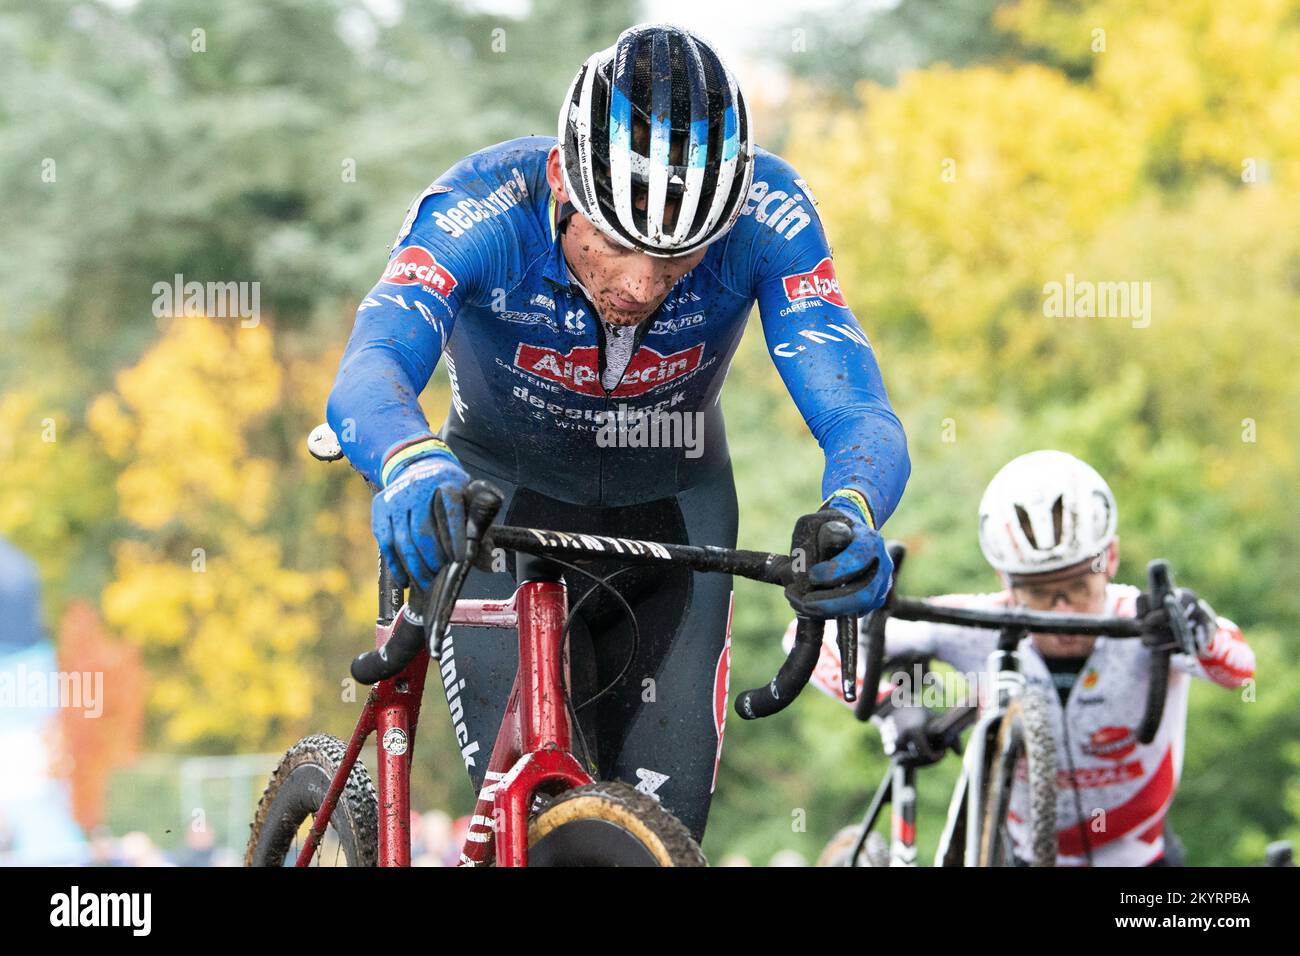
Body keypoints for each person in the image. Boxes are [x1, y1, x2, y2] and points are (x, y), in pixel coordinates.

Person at [327, 24, 910, 850]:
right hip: (497, 506)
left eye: (677, 263)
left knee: (658, 845)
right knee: (532, 838)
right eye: (618, 246)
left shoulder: (770, 218)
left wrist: (851, 511)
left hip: (674, 513)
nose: (640, 286)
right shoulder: (481, 207)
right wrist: (408, 461)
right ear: (565, 180)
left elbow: (859, 412)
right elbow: (373, 362)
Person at [784, 450, 1255, 866]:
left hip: (1142, 859)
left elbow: (1241, 669)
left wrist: (1201, 631)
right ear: (1005, 580)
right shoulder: (980, 618)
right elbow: (801, 636)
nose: (1061, 611)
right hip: (1019, 855)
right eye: (1038, 594)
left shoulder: (1144, 619)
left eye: (1077, 588)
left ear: (1108, 559)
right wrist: (891, 705)